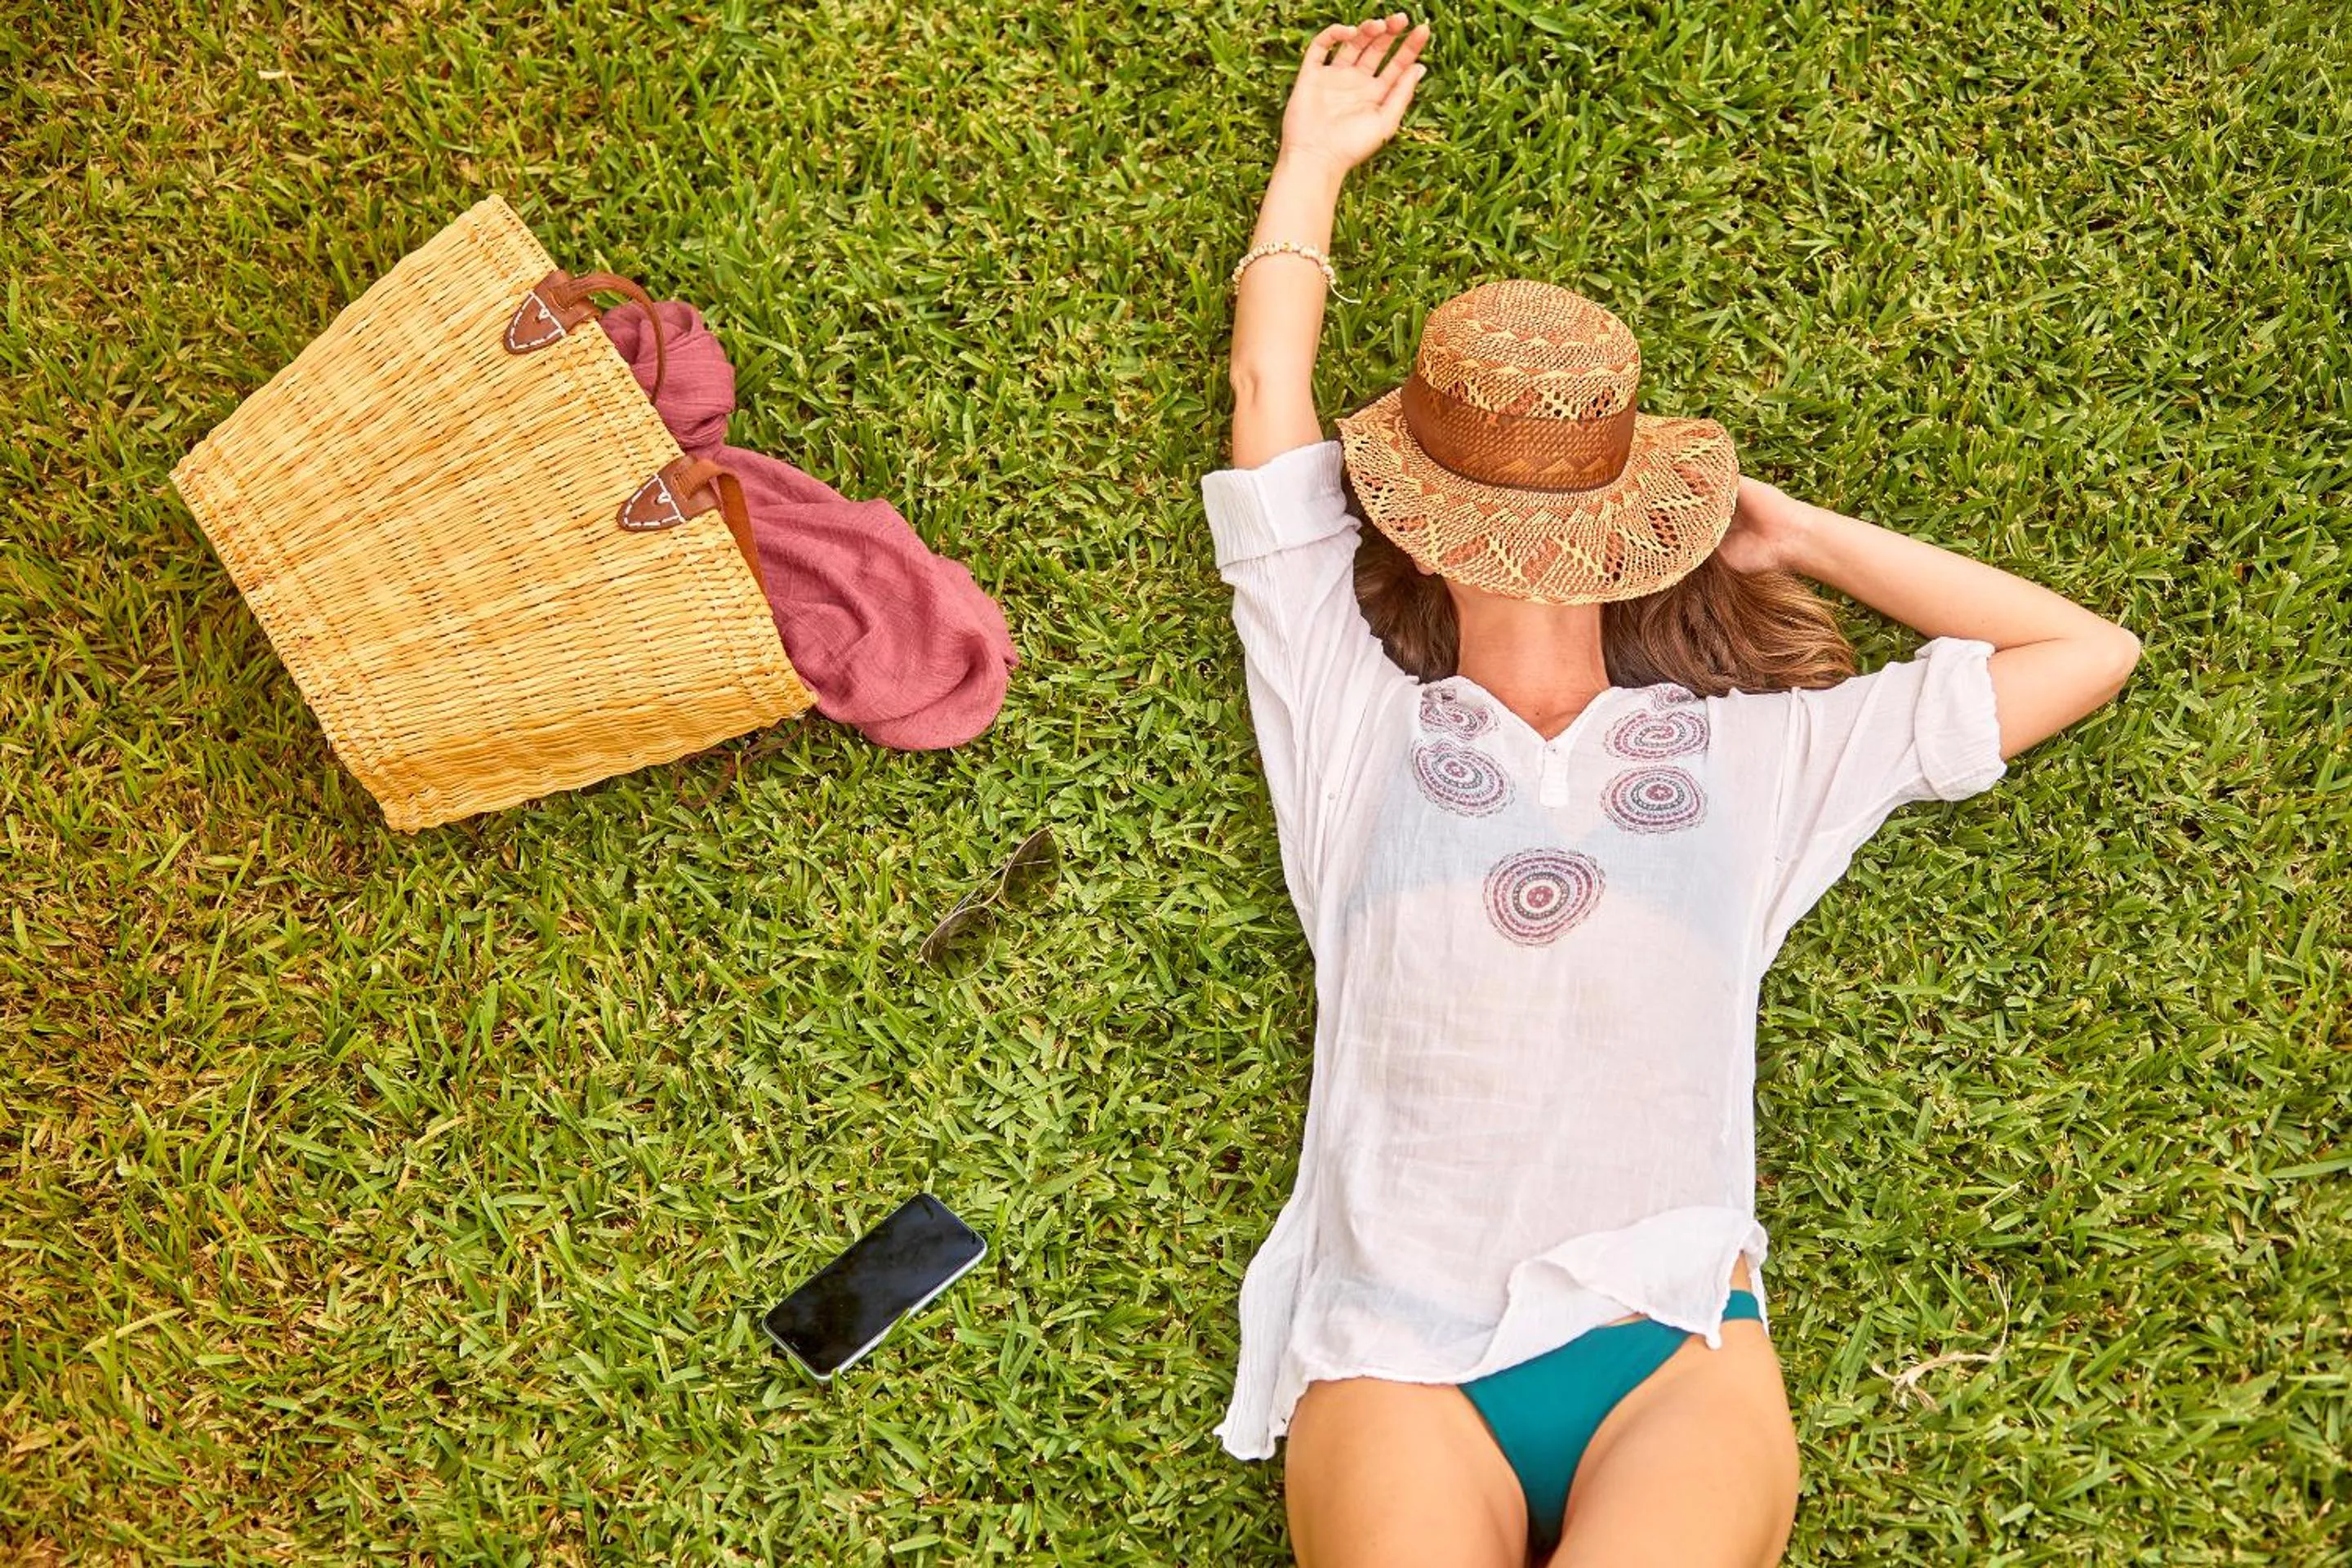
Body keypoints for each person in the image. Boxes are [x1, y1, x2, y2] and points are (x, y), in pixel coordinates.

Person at [1202, 16, 2142, 1567]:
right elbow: (1262, 389)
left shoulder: (1760, 756)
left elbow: (2086, 655)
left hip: (1669, 1336)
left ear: (1414, 513)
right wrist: (1309, 160)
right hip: (1394, 1346)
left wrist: (1806, 534)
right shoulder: (1350, 714)